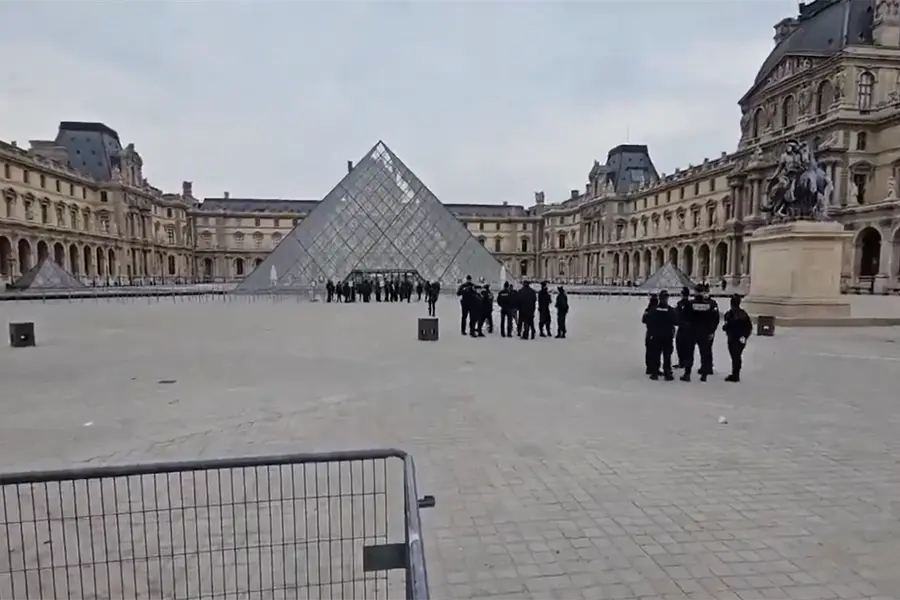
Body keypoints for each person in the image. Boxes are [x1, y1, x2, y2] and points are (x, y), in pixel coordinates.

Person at [681, 284, 720, 382]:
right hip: (704, 332)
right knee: (704, 353)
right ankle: (704, 375)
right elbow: (714, 319)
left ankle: (687, 374)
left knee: (689, 353)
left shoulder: (689, 304)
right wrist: (711, 330)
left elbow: (684, 318)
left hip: (692, 332)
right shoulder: (709, 305)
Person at [647, 290, 676, 380]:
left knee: (656, 354)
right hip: (667, 336)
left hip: (656, 336)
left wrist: (651, 333)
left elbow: (649, 322)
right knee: (667, 355)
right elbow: (676, 321)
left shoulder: (653, 309)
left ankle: (655, 373)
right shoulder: (670, 310)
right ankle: (667, 372)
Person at [722, 294, 752, 382]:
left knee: (736, 356)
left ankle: (735, 374)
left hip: (735, 338)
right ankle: (735, 373)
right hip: (736, 338)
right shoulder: (741, 314)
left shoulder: (732, 314)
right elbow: (748, 327)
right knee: (736, 356)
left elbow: (731, 325)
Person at [673, 287, 692, 369]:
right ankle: (683, 362)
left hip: (685, 327)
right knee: (680, 345)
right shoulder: (682, 304)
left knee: (683, 345)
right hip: (684, 327)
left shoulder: (688, 304)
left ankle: (684, 362)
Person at [642, 294, 659, 375]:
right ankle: (655, 368)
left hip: (649, 333)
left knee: (649, 351)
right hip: (657, 333)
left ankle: (649, 368)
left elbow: (643, 320)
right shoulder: (657, 310)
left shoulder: (648, 310)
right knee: (656, 352)